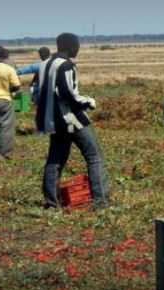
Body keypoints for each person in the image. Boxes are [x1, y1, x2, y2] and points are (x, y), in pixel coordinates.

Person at [36, 33, 109, 209]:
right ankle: (101, 202)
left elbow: (40, 91)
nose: (78, 49)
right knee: (94, 157)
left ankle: (52, 203)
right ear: (70, 46)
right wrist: (88, 102)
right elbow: (68, 94)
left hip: (52, 120)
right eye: (77, 46)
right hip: (70, 118)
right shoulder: (67, 65)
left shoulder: (45, 64)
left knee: (55, 160)